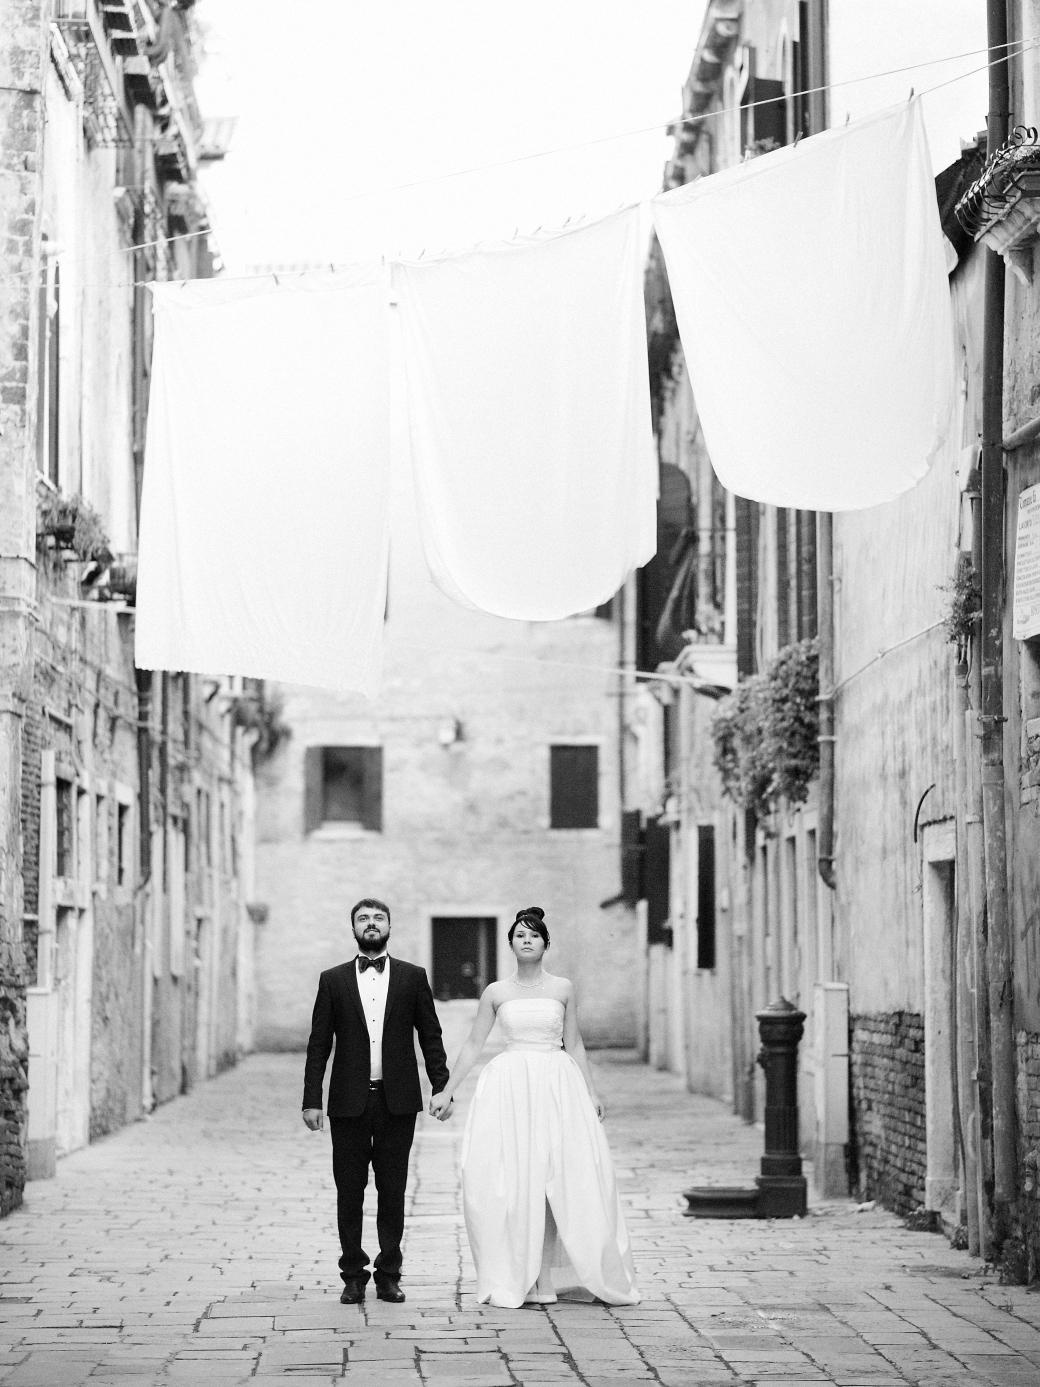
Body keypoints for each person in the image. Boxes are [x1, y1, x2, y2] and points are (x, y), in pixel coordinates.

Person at [428, 906, 640, 1309]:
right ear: (510, 944)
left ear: (545, 943)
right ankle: (531, 1277)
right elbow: (473, 1044)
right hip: (511, 1087)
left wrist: (591, 1092)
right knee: (519, 1179)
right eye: (520, 936)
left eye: (534, 935)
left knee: (558, 1178)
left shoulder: (563, 988)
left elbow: (574, 1043)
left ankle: (554, 1274)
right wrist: (447, 1090)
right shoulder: (495, 992)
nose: (527, 941)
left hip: (557, 1084)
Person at [302, 898, 450, 1304]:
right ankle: (352, 1275)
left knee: (392, 1188)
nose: (371, 923)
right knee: (349, 1191)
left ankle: (388, 1274)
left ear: (389, 926)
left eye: (378, 918)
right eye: (363, 918)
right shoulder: (332, 980)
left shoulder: (412, 977)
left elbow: (430, 1036)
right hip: (347, 1102)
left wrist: (441, 1087)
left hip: (396, 1100)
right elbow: (318, 1044)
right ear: (353, 928)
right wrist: (312, 1099)